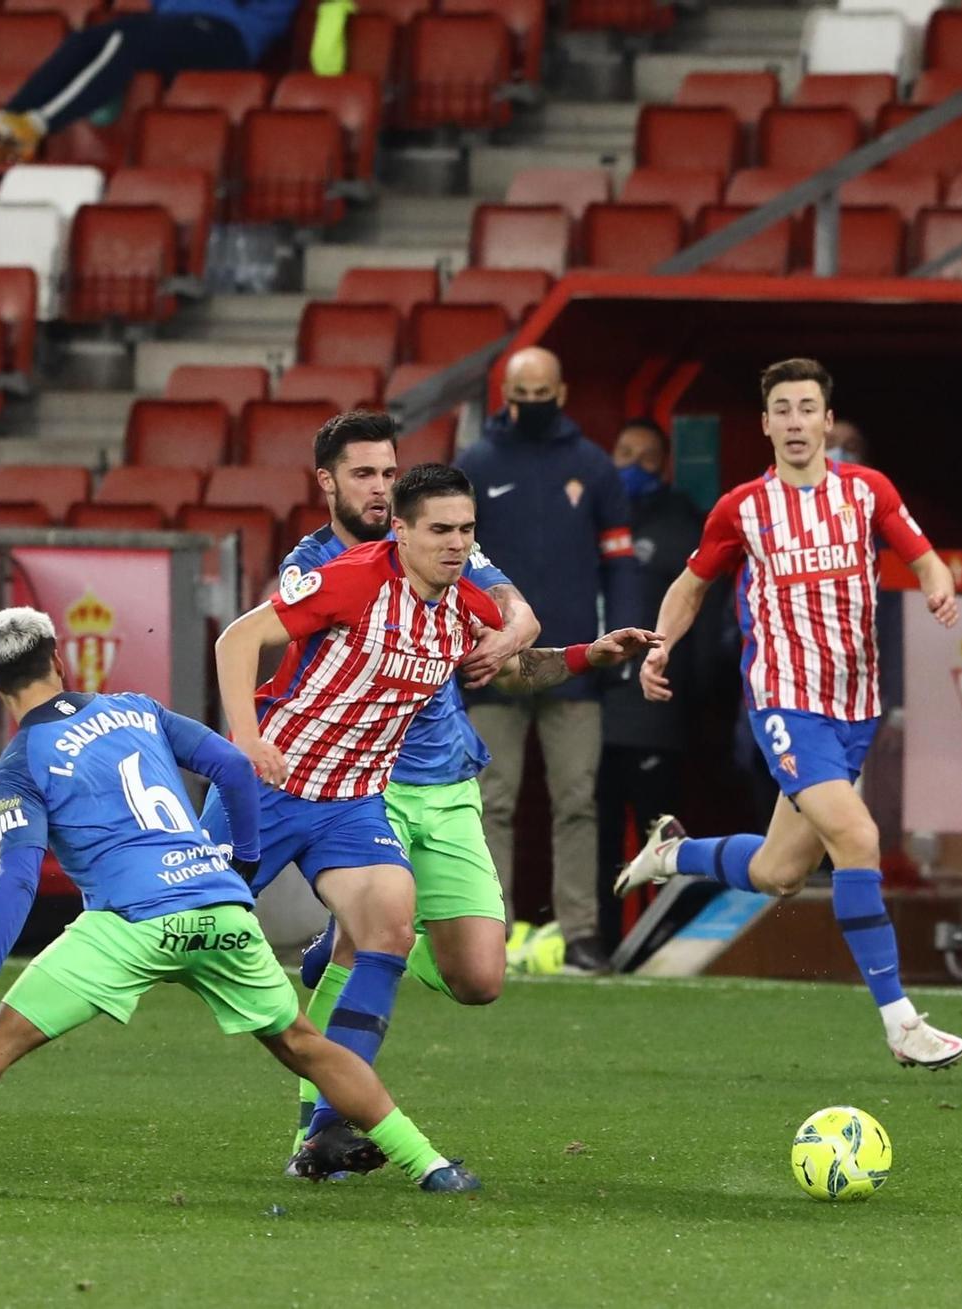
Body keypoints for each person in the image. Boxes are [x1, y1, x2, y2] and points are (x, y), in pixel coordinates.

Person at [0, 608, 482, 1195]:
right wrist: (239, 864)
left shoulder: (20, 765)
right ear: (60, 658)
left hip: (130, 922)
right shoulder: (136, 710)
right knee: (303, 1043)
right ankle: (434, 1165)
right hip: (216, 907)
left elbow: (18, 879)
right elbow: (236, 766)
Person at [207, 463, 658, 1176]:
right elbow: (238, 639)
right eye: (440, 529)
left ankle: (327, 1129)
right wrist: (245, 742)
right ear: (403, 529)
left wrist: (585, 656)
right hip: (275, 781)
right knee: (160, 930)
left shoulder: (463, 602)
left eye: (466, 529)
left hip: (353, 801)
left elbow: (503, 668)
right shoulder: (353, 578)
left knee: (412, 936)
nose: (455, 543)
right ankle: (21, 1017)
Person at [614, 358, 962, 1071]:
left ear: (827, 421)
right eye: (783, 408)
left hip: (854, 706)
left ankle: (673, 852)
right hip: (784, 699)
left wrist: (937, 585)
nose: (797, 420)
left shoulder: (867, 492)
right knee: (858, 836)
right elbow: (691, 584)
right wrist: (659, 647)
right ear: (767, 423)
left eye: (809, 407)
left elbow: (925, 555)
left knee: (780, 870)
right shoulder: (742, 508)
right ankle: (900, 1020)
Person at [274, 412, 539, 1154]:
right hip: (367, 780)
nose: (381, 488)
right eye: (364, 475)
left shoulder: (441, 541)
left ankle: (364, 938)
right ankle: (318, 1128)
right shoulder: (313, 569)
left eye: (390, 473)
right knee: (368, 939)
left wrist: (509, 642)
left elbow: (518, 617)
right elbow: (282, 667)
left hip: (448, 777)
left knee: (480, 978)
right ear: (326, 482)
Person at [456, 346, 637, 976]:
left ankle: (582, 933)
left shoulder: (594, 468)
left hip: (577, 666)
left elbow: (619, 563)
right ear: (506, 394)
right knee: (488, 800)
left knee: (578, 800)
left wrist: (618, 642)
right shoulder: (475, 463)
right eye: (520, 394)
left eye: (540, 394)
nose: (530, 405)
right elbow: (450, 560)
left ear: (561, 392)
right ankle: (488, 931)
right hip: (492, 662)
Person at [0, 0, 299, 166]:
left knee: (124, 44)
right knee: (84, 40)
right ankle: (8, 119)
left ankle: (33, 127)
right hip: (175, 26)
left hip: (226, 37)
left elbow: (269, 17)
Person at [595, 419, 705, 952]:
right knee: (597, 832)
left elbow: (703, 612)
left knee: (661, 834)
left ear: (663, 465)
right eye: (624, 452)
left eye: (646, 457)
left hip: (657, 707)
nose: (633, 464)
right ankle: (598, 942)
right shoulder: (593, 516)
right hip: (593, 703)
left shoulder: (684, 521)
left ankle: (660, 945)